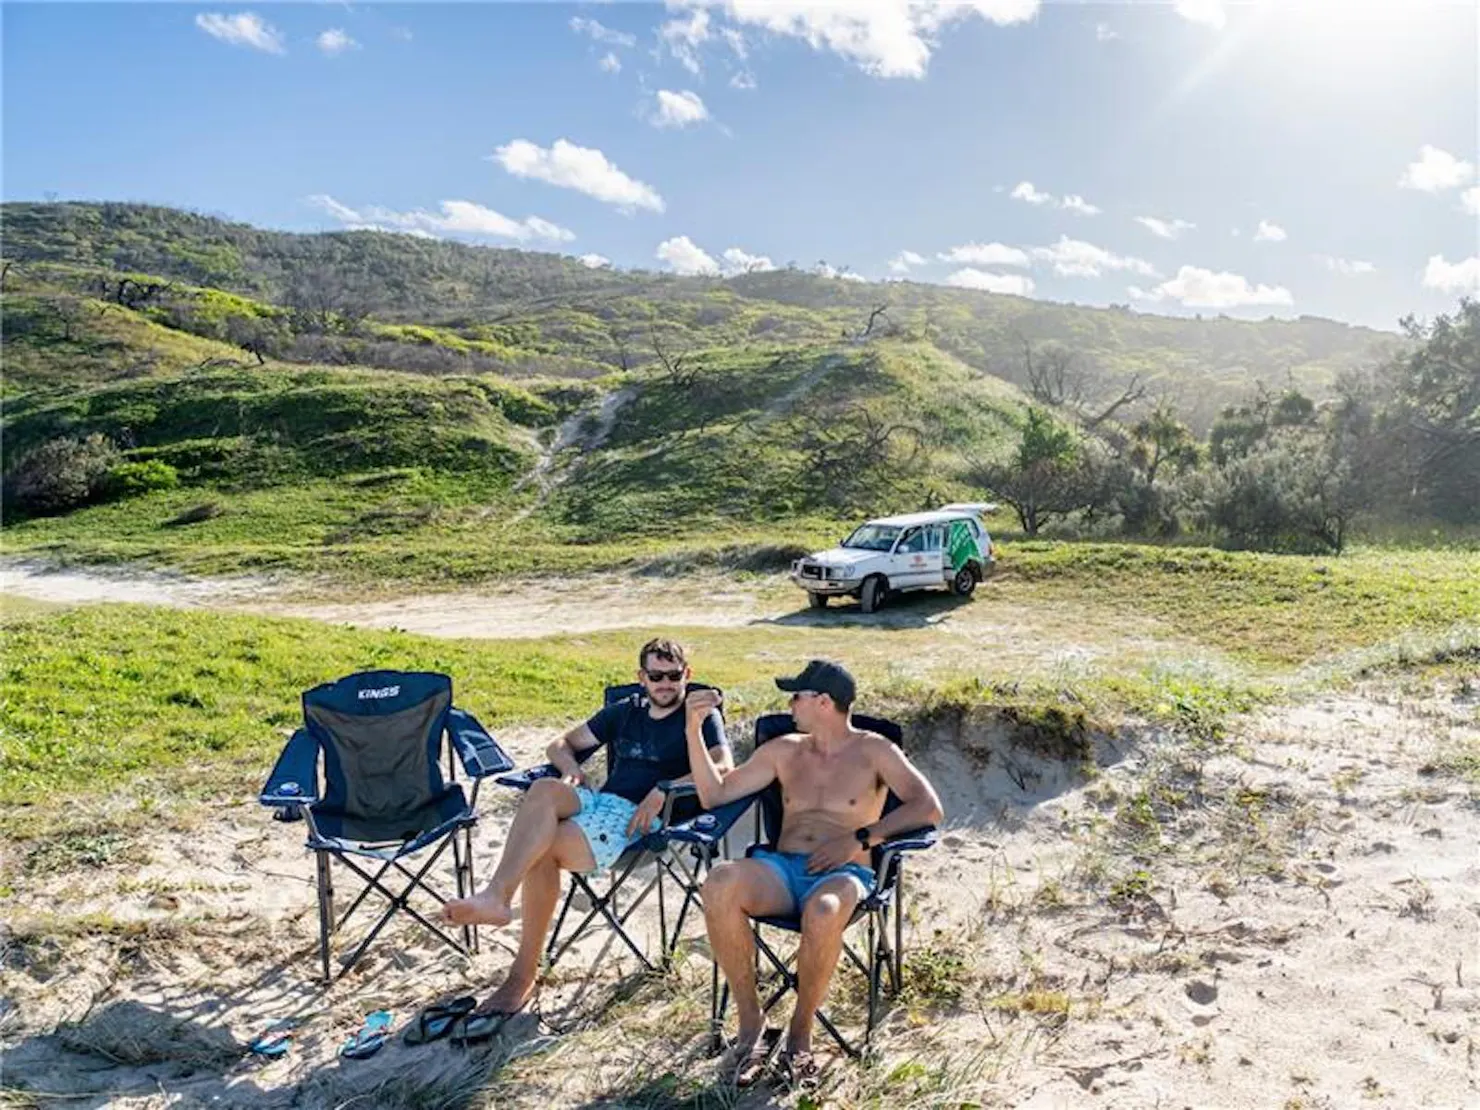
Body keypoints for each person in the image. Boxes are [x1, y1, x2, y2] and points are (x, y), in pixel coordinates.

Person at [441, 638, 731, 1034]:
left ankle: (520, 976)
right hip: (602, 803)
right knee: (542, 790)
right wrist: (570, 770)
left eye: (673, 676)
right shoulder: (625, 712)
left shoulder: (698, 713)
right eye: (656, 676)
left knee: (541, 852)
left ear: (687, 675)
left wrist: (665, 787)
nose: (665, 684)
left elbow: (723, 765)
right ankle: (496, 898)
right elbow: (560, 743)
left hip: (642, 822)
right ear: (641, 678)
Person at [684, 658, 943, 1084]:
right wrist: (693, 731)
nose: (790, 704)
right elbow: (714, 795)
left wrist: (860, 839)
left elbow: (928, 807)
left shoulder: (876, 750)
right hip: (782, 869)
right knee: (720, 882)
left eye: (797, 696)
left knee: (822, 910)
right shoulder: (783, 749)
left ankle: (800, 1036)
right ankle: (752, 1024)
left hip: (844, 875)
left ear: (823, 702)